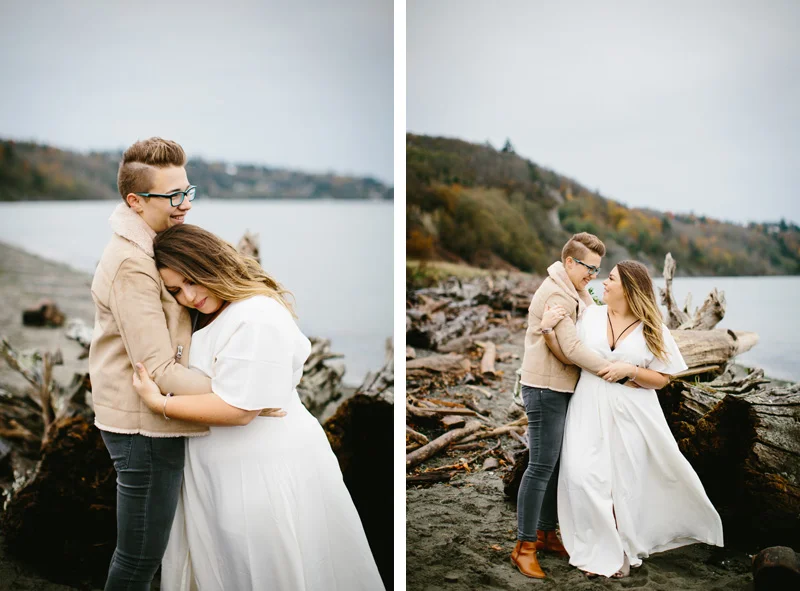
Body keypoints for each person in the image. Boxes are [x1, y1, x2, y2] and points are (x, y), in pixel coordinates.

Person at [131, 224, 385, 591]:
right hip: (217, 473)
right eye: (175, 290)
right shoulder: (203, 314)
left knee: (273, 569)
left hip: (265, 470)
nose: (188, 295)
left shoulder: (257, 314)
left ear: (210, 264)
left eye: (192, 280)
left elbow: (239, 410)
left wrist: (161, 403)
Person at [540, 260, 723, 578]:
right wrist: (547, 333)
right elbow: (571, 356)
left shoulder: (652, 327)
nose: (603, 284)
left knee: (625, 481)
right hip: (588, 404)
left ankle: (621, 547)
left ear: (628, 287)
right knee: (584, 475)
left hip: (633, 411)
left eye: (610, 279)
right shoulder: (590, 316)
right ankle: (599, 545)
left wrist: (631, 370)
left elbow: (663, 378)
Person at [88, 137, 215, 591]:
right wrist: (237, 392)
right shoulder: (131, 264)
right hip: (143, 426)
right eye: (173, 197)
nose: (184, 205)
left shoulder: (150, 246)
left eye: (188, 192)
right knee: (139, 558)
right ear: (135, 202)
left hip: (153, 418)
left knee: (148, 554)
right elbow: (159, 371)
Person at [511, 232, 616, 579]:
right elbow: (571, 348)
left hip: (559, 387)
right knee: (541, 466)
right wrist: (610, 369)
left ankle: (544, 533)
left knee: (554, 465)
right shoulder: (558, 292)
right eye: (589, 267)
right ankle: (523, 546)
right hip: (545, 388)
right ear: (570, 262)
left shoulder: (574, 289)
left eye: (599, 270)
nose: (593, 276)